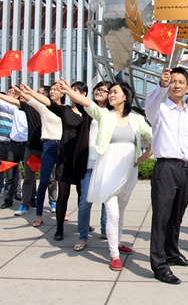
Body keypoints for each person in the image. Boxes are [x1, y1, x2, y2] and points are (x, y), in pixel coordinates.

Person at [60, 79, 152, 272]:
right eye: (110, 92)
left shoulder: (136, 119)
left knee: (121, 211)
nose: (111, 94)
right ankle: (114, 255)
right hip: (108, 170)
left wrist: (143, 158)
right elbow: (87, 103)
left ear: (125, 96)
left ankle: (117, 242)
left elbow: (155, 138)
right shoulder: (104, 115)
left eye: (115, 92)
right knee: (112, 213)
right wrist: (68, 91)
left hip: (128, 171)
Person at [145, 67, 188, 285]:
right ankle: (159, 265)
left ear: (187, 87)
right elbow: (149, 106)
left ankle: (172, 253)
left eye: (181, 82)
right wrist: (161, 85)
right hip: (165, 167)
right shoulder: (159, 108)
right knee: (161, 218)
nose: (177, 85)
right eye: (173, 81)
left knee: (176, 216)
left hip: (183, 169)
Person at [21, 81, 88, 241]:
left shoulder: (89, 112)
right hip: (63, 156)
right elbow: (47, 102)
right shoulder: (64, 111)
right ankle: (59, 228)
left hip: (80, 158)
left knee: (82, 194)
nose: (72, 93)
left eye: (76, 91)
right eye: (71, 90)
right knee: (62, 194)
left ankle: (83, 224)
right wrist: (30, 91)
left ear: (84, 94)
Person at [0, 85, 58, 215]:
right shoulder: (29, 107)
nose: (36, 94)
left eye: (40, 93)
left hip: (46, 148)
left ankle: (53, 202)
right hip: (31, 148)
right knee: (28, 178)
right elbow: (12, 101)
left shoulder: (52, 110)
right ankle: (25, 204)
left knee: (50, 178)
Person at [14, 83, 63, 228]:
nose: (53, 91)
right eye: (52, 89)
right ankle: (39, 215)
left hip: (62, 146)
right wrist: (23, 91)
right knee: (43, 181)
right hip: (48, 145)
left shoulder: (66, 109)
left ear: (63, 93)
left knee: (62, 182)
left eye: (56, 90)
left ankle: (59, 209)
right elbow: (30, 99)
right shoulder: (43, 108)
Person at [74, 81, 112, 251]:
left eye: (103, 90)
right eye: (97, 89)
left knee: (107, 201)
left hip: (105, 163)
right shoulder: (88, 110)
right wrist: (68, 90)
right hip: (89, 162)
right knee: (85, 201)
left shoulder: (112, 114)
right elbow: (80, 100)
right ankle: (83, 236)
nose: (98, 91)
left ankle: (105, 230)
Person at [0, 87, 28, 209]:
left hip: (22, 144)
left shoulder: (26, 109)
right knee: (4, 170)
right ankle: (3, 195)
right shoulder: (7, 107)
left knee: (22, 173)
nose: (9, 93)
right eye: (8, 92)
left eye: (12, 92)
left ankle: (23, 195)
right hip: (5, 142)